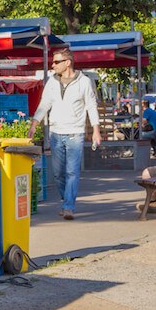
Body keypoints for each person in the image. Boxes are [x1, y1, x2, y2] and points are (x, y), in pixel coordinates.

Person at [28, 49, 101, 220]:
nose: (52, 65)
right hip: (55, 132)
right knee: (58, 173)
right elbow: (44, 104)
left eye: (56, 62)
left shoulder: (84, 82)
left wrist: (96, 130)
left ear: (67, 62)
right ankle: (65, 198)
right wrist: (34, 124)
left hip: (75, 132)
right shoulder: (51, 82)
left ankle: (69, 206)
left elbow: (91, 106)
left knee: (72, 172)